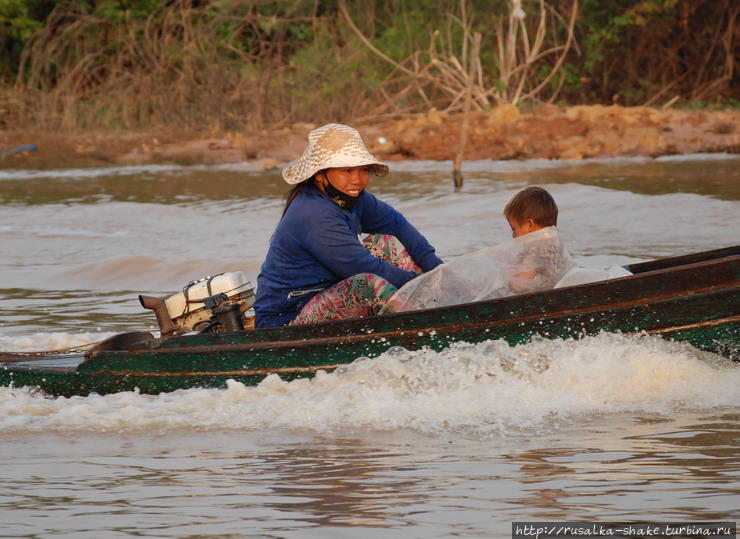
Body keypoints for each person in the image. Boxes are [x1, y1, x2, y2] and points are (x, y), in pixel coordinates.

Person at [254, 123, 443, 329]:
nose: (357, 180)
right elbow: (361, 267)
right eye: (347, 170)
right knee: (367, 284)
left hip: (329, 294)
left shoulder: (352, 198)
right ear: (320, 174)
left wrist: (440, 273)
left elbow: (397, 225)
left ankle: (429, 311)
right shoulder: (313, 213)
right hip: (286, 319)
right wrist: (422, 286)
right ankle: (423, 325)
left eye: (363, 171)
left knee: (387, 242)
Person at [381, 186, 572, 313]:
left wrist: (502, 273)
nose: (513, 236)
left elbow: (520, 284)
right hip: (542, 301)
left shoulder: (535, 248)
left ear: (530, 224)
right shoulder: (556, 245)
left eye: (514, 229)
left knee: (458, 290)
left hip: (521, 306)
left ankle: (410, 308)